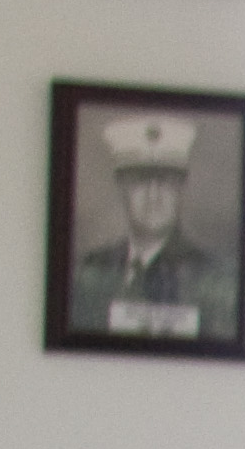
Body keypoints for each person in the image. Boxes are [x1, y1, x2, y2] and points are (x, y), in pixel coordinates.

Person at [78, 110, 234, 343]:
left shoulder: (216, 278)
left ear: (181, 189)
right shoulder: (90, 273)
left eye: (166, 182)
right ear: (121, 188)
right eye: (140, 181)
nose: (153, 196)